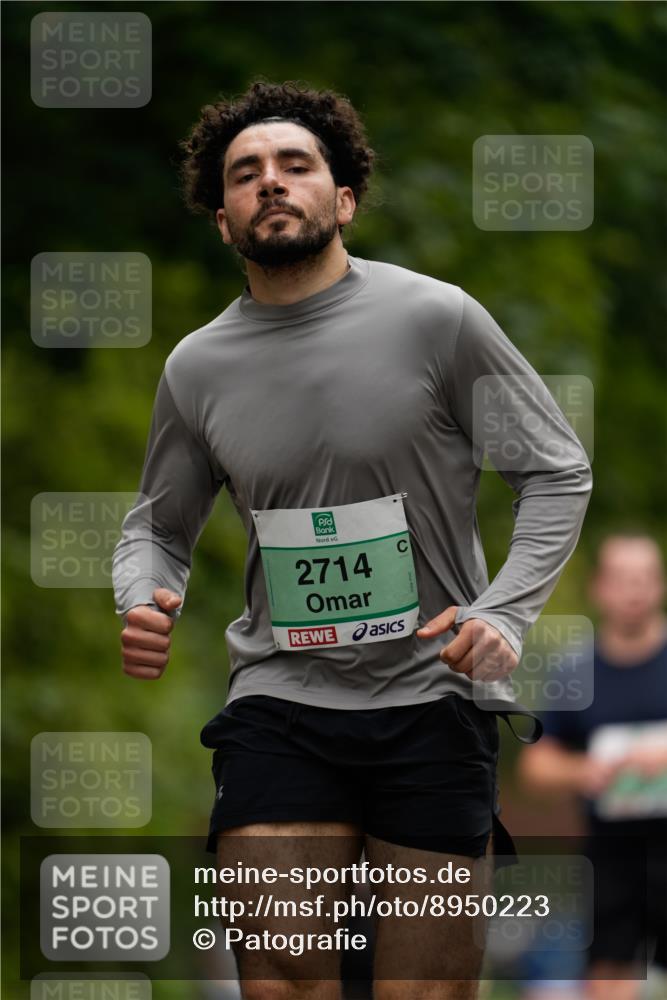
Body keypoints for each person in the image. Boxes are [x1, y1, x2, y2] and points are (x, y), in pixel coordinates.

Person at [112, 80, 593, 1000]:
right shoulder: (196, 366)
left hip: (432, 696)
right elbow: (157, 527)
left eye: (296, 165)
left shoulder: (436, 320)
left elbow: (555, 468)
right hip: (279, 702)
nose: (271, 183)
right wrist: (140, 592)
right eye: (246, 174)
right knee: (282, 976)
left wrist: (506, 615)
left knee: (426, 990)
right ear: (222, 219)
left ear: (343, 199)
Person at [519, 534, 667, 1000]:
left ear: (660, 585)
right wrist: (588, 770)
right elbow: (535, 766)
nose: (634, 590)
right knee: (608, 979)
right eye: (622, 579)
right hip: (611, 854)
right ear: (599, 587)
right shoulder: (573, 671)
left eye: (645, 578)